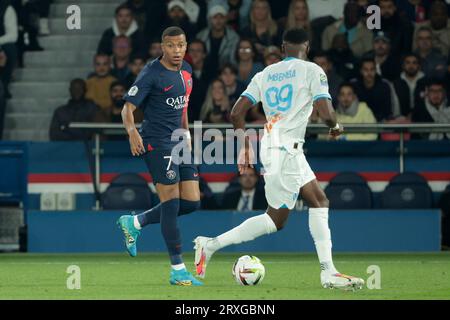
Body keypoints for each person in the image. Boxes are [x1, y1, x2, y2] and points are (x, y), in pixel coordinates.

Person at [193, 28, 365, 290]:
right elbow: (326, 111)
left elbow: (236, 113)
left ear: (283, 48)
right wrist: (336, 126)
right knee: (275, 220)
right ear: (306, 47)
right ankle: (211, 244)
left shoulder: (264, 74)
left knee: (319, 200)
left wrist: (245, 146)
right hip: (285, 151)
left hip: (278, 147)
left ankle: (328, 272)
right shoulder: (312, 70)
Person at [117, 26, 202, 286]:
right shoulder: (151, 73)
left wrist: (186, 134)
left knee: (192, 202)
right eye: (171, 46)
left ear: (186, 46)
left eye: (181, 46)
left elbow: (184, 106)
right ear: (162, 47)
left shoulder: (187, 71)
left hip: (178, 142)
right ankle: (177, 269)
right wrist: (132, 132)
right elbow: (127, 109)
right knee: (171, 203)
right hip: (156, 143)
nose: (177, 51)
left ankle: (135, 222)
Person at [196, 4, 240, 75]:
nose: (218, 20)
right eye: (215, 17)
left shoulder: (234, 38)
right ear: (210, 19)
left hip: (225, 74)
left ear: (226, 19)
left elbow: (233, 61)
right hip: (203, 73)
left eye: (221, 17)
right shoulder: (201, 36)